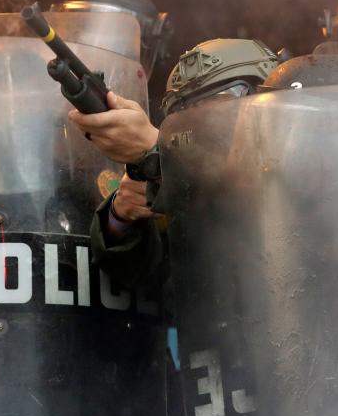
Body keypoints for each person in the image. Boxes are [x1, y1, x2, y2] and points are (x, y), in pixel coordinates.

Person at [68, 37, 281, 286]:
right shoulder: (178, 190)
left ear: (269, 99)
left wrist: (157, 154)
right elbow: (137, 275)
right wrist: (121, 216)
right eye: (187, 117)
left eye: (219, 108)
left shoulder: (305, 157)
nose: (207, 127)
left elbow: (255, 205)